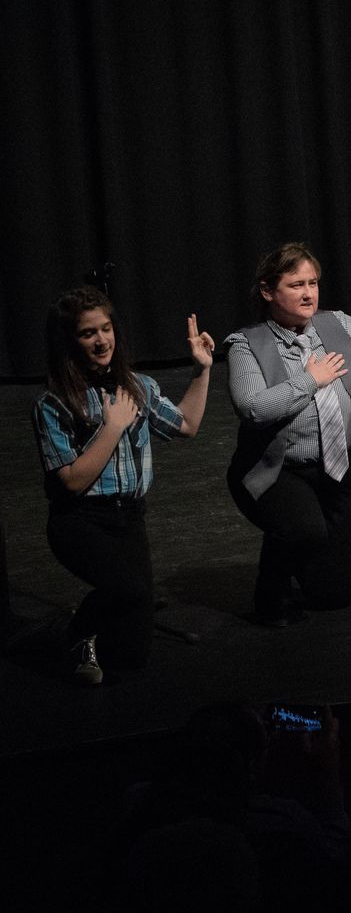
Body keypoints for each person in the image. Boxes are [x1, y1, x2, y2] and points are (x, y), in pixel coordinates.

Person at [224, 241, 351, 626]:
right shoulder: (246, 344)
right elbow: (253, 408)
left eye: (313, 283)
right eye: (296, 285)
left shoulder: (338, 325)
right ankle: (270, 593)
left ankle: (303, 550)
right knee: (303, 529)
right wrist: (310, 380)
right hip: (278, 470)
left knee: (334, 594)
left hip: (339, 469)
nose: (308, 293)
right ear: (268, 291)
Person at [34, 290, 213, 684]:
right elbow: (72, 481)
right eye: (88, 333)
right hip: (80, 522)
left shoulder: (137, 386)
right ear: (69, 341)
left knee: (131, 656)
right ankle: (78, 633)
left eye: (106, 329)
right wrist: (112, 427)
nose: (102, 341)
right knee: (128, 588)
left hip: (129, 519)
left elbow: (187, 425)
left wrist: (201, 370)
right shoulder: (55, 403)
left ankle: (104, 629)